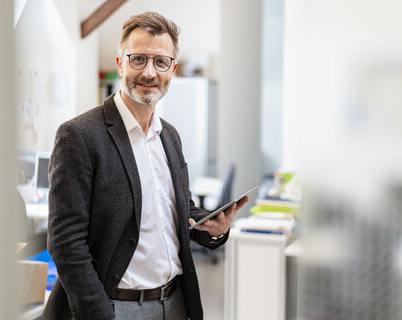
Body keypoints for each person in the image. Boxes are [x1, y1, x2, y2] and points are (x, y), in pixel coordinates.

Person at [43, 11, 248, 320]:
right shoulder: (80, 136)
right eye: (138, 59)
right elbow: (65, 243)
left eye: (160, 62)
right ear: (120, 63)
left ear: (173, 69)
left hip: (176, 301)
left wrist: (213, 229)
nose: (149, 73)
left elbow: (178, 209)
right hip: (115, 307)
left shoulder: (170, 136)